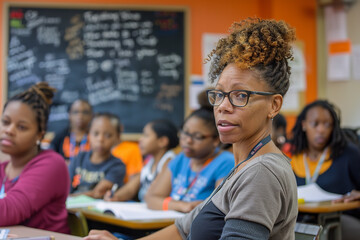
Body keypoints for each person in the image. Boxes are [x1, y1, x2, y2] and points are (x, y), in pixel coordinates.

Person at [84, 17, 298, 240]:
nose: (223, 106)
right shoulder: (243, 167)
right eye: (219, 94)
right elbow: (182, 229)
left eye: (240, 95)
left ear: (274, 106)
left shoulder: (261, 171)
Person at [0, 82, 70, 233]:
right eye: (5, 122)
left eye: (21, 127)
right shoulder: (2, 169)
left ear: (39, 134)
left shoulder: (52, 164)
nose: (9, 130)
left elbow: (9, 211)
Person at [289, 99, 360, 240]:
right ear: (304, 125)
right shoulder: (293, 157)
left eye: (327, 124)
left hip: (341, 219)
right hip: (300, 220)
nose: (321, 130)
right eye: (315, 124)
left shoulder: (348, 154)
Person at [145, 107, 234, 213]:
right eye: (185, 133)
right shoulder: (181, 158)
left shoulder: (226, 162)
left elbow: (220, 206)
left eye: (197, 136)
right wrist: (182, 206)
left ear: (215, 140)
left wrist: (169, 204)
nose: (188, 140)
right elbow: (151, 199)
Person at [104, 119, 179, 202]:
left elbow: (154, 194)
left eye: (146, 135)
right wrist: (116, 196)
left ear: (162, 141)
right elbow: (130, 189)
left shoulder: (169, 161)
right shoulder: (150, 162)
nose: (140, 139)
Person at [68, 113, 126, 199]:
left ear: (117, 137)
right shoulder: (79, 158)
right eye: (96, 134)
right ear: (88, 135)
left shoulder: (117, 166)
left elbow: (97, 193)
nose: (100, 139)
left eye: (108, 135)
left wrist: (68, 197)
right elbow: (66, 185)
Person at [51, 99, 92, 163]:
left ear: (91, 115)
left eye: (85, 112)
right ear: (69, 115)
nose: (80, 116)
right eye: (76, 112)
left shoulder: (96, 137)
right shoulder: (60, 137)